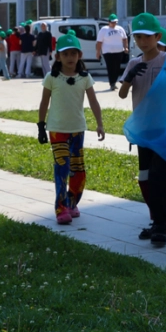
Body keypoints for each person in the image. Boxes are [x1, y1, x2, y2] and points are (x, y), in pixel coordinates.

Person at [119, 14, 166, 246]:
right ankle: (158, 219)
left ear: (157, 37)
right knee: (146, 178)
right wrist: (129, 78)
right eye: (137, 37)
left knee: (158, 176)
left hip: (165, 130)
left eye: (147, 37)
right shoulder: (134, 63)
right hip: (144, 131)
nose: (142, 41)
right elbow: (123, 94)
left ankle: (160, 225)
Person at [36, 33, 107, 225]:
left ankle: (72, 202)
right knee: (62, 168)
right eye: (65, 53)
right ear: (58, 56)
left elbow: (94, 102)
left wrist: (99, 124)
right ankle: (61, 208)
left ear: (79, 55)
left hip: (77, 129)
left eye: (73, 53)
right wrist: (41, 126)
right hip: (57, 130)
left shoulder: (85, 78)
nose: (70, 57)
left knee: (78, 169)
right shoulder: (52, 77)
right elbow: (44, 102)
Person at [96, 13, 129, 90]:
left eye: (115, 22)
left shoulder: (120, 29)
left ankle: (114, 81)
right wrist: (98, 52)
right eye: (112, 22)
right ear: (109, 22)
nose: (114, 23)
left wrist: (126, 47)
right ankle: (112, 83)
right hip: (108, 52)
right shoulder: (104, 30)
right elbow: (99, 42)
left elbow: (125, 39)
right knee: (110, 67)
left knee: (117, 68)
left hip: (119, 51)